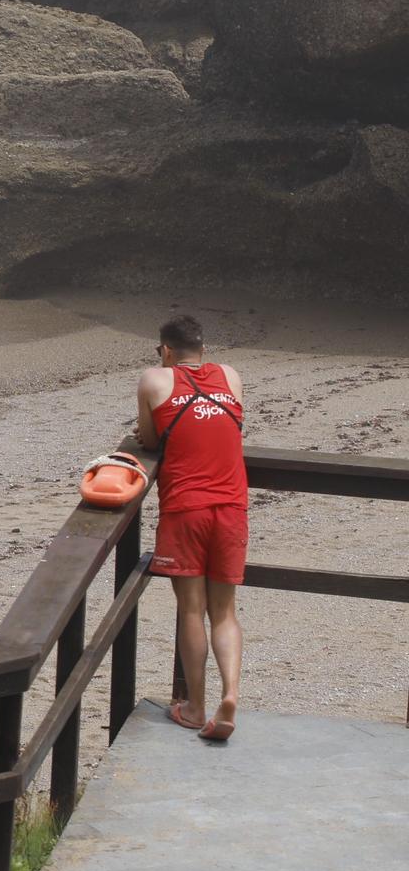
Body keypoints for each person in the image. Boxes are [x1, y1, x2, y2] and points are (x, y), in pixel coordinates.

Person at [135, 315, 247, 742]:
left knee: (190, 609)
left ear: (165, 351)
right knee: (225, 611)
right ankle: (231, 694)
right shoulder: (231, 377)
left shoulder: (154, 380)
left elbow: (148, 439)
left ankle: (196, 705)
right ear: (204, 349)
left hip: (185, 507)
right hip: (232, 506)